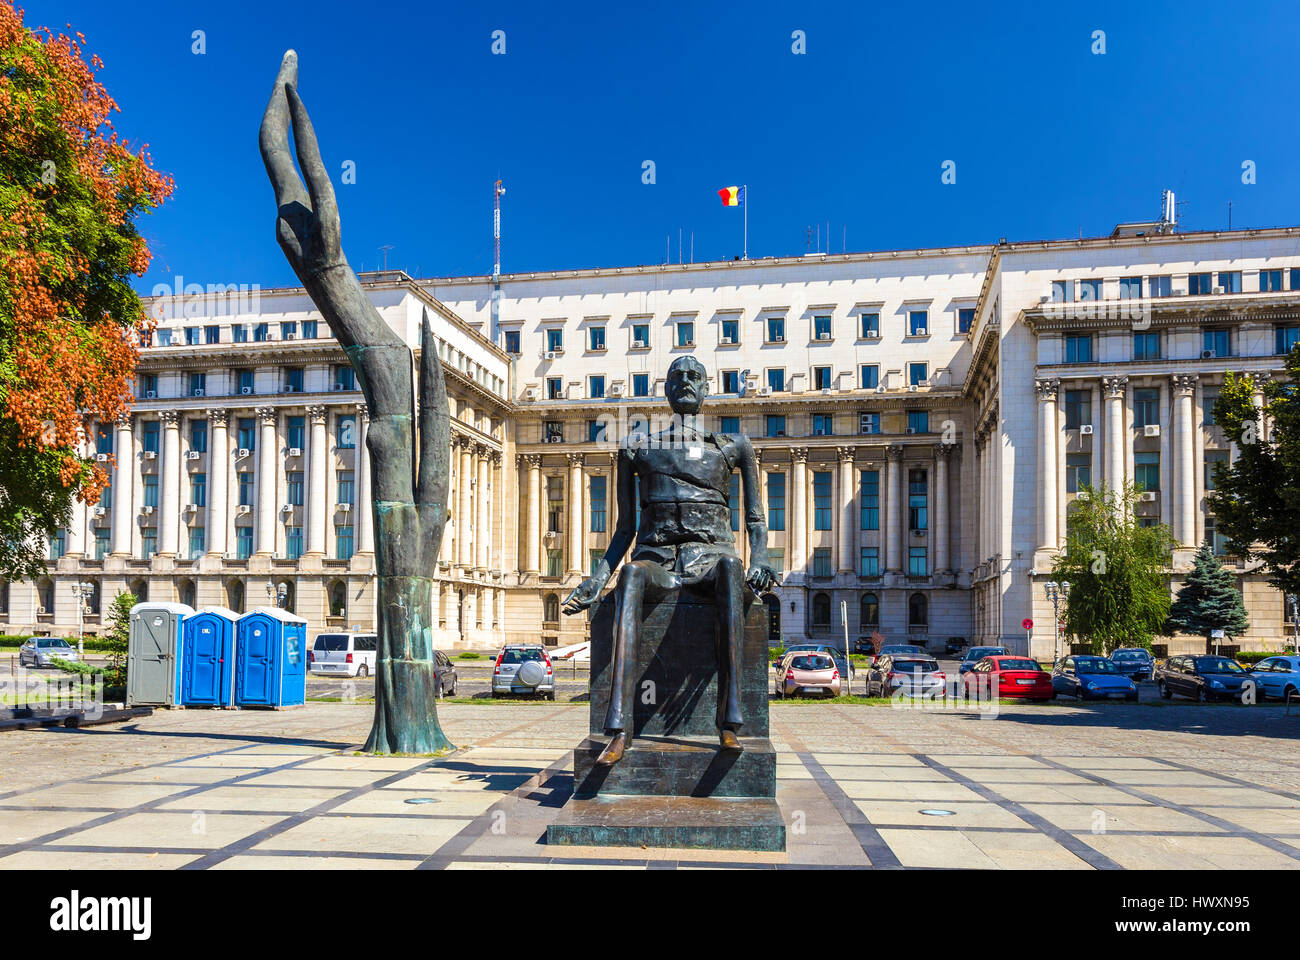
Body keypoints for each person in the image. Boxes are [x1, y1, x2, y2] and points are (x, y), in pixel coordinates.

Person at [562, 356, 779, 765]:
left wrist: (762, 558)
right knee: (630, 576)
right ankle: (618, 728)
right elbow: (625, 529)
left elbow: (755, 518)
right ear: (665, 389)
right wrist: (597, 579)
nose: (686, 382)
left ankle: (729, 721)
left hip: (712, 559)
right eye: (677, 376)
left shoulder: (734, 446)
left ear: (707, 389)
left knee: (733, 568)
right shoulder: (637, 447)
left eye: (695, 376)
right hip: (658, 560)